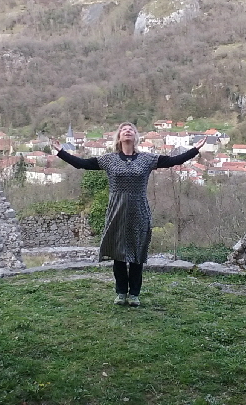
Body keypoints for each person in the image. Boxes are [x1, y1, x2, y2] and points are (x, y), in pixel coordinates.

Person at [50, 122, 205, 306]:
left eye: (131, 129)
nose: (128, 131)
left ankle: (134, 294)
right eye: (124, 130)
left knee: (137, 253)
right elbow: (82, 164)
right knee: (118, 253)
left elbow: (173, 161)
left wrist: (194, 149)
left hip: (139, 210)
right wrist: (61, 152)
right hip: (116, 211)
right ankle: (121, 292)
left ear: (135, 136)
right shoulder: (109, 160)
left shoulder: (147, 159)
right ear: (119, 137)